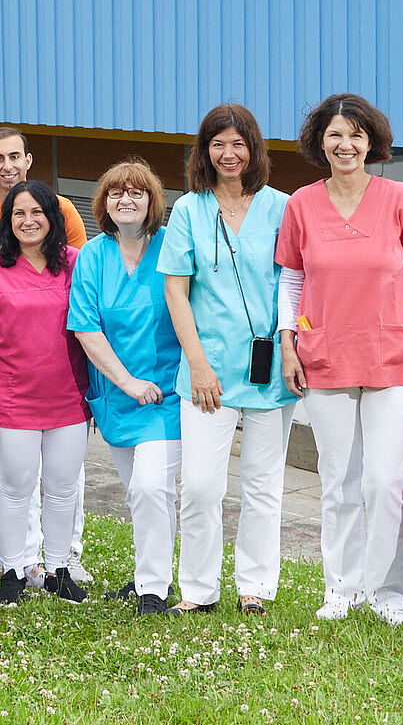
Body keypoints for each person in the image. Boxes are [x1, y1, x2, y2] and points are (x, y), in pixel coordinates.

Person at [276, 93, 403, 626]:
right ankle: (341, 591)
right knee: (338, 482)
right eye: (335, 135)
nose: (345, 145)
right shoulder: (302, 203)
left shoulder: (401, 199)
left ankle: (393, 596)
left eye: (356, 135)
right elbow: (292, 280)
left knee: (385, 482)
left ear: (372, 142)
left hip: (395, 354)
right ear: (319, 142)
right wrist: (290, 340)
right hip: (324, 354)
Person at [159, 104, 296, 616]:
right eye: (218, 143)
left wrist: (290, 346)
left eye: (238, 143)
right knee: (199, 485)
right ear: (204, 150)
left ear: (254, 148)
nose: (228, 153)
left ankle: (255, 587)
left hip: (268, 372)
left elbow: (296, 284)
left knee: (263, 485)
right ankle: (197, 589)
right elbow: (177, 292)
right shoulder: (189, 210)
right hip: (207, 370)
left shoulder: (282, 207)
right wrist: (196, 361)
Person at [0, 179, 91, 607]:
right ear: (7, 220)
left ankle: (56, 569)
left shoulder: (76, 263)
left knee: (62, 488)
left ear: (53, 218)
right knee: (15, 488)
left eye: (37, 212)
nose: (28, 220)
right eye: (19, 213)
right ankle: (13, 570)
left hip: (69, 397)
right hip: (12, 399)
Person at [68, 160, 181, 616]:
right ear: (104, 203)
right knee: (139, 491)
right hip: (117, 395)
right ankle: (145, 576)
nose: (126, 200)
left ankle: (155, 588)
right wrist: (127, 382)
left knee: (152, 488)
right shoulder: (93, 256)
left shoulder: (173, 248)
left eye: (137, 192)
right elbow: (86, 328)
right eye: (116, 193)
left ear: (152, 201)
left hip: (167, 394)